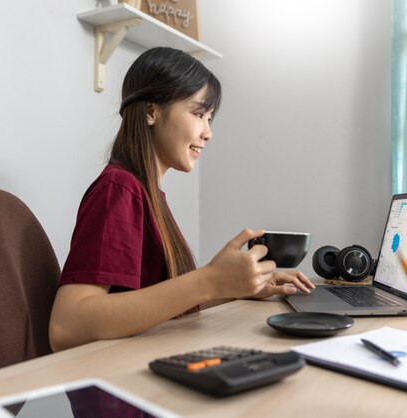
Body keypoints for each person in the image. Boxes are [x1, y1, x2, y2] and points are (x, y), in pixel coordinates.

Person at [49, 47, 314, 352]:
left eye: (210, 118)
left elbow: (160, 303)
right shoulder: (119, 189)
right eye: (199, 114)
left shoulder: (147, 193)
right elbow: (66, 326)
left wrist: (235, 287)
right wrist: (208, 280)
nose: (208, 133)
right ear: (151, 111)